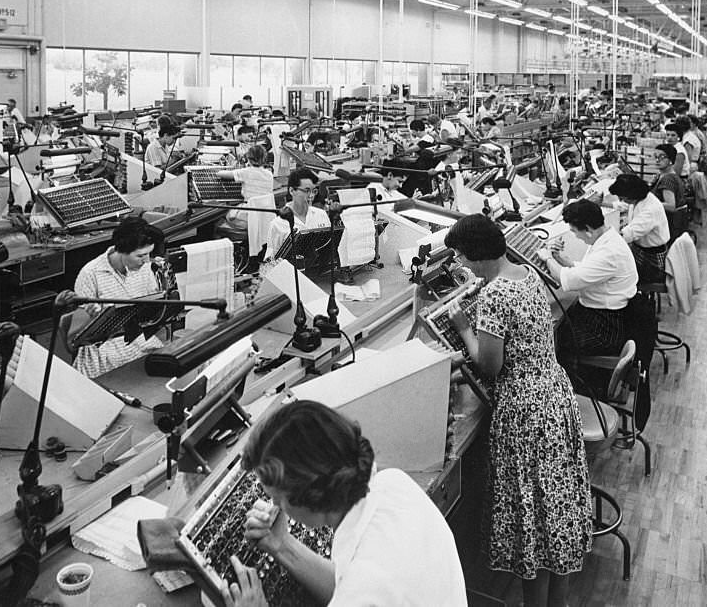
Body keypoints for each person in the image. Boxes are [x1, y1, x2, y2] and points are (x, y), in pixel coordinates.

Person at [444, 215, 591, 607]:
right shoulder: (525, 273)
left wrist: (463, 328)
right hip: (555, 398)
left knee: (532, 516)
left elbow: (489, 365)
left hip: (526, 412)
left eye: (460, 257)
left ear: (474, 257)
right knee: (554, 513)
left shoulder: (494, 297)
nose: (460, 264)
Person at [222, 400, 465, 607]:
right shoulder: (395, 484)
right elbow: (350, 583)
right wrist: (283, 545)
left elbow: (361, 592)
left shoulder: (363, 592)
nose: (275, 506)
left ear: (309, 497)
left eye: (277, 499)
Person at [536, 199, 638, 364]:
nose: (575, 236)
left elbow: (569, 280)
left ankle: (573, 382)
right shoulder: (606, 238)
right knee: (560, 325)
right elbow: (586, 269)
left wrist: (547, 258)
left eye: (575, 231)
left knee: (552, 339)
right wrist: (559, 258)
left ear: (588, 230)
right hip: (604, 316)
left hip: (604, 329)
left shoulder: (609, 252)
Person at [72, 216, 164, 379]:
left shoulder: (145, 267)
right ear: (121, 250)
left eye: (149, 254)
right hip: (104, 348)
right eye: (140, 256)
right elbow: (75, 337)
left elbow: (151, 311)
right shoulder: (90, 274)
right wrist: (91, 318)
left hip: (137, 337)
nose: (146, 261)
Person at [609, 174, 670, 284]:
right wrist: (601, 203)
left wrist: (601, 235)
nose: (621, 200)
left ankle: (636, 298)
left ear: (631, 196)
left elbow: (628, 235)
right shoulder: (643, 198)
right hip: (642, 250)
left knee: (616, 274)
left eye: (622, 197)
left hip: (652, 260)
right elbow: (624, 206)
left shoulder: (650, 209)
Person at [265, 167, 331, 260]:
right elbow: (270, 261)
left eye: (314, 191)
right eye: (307, 191)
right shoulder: (277, 224)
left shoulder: (321, 215)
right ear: (292, 191)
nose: (311, 196)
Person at [216, 144, 275, 236]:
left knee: (221, 218)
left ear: (249, 158)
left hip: (249, 215)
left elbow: (220, 174)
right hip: (265, 216)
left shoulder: (245, 172)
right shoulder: (269, 174)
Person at [650, 143, 686, 213]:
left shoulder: (668, 179)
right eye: (655, 156)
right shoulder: (662, 175)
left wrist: (648, 204)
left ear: (670, 160)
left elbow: (671, 206)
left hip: (667, 221)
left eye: (662, 157)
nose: (657, 160)